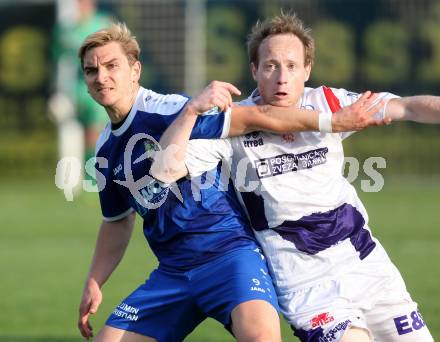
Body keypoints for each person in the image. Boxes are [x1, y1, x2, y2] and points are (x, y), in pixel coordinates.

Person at [76, 22, 386, 342]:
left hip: (230, 256)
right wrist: (94, 281)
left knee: (262, 338)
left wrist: (330, 122)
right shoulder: (106, 149)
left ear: (135, 70)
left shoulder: (173, 111)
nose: (101, 78)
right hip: (173, 272)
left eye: (112, 66)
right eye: (91, 71)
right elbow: (116, 222)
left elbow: (254, 117)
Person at [151, 12, 437, 342]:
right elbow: (164, 169)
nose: (281, 77)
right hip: (306, 284)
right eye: (271, 65)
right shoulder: (234, 125)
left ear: (307, 70)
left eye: (291, 65)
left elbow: (409, 107)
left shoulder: (329, 103)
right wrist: (191, 112)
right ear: (254, 70)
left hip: (366, 264)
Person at [50, 0, 111, 190]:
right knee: (82, 134)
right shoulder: (67, 29)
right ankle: (87, 179)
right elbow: (57, 55)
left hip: (100, 84)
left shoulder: (103, 24)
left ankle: (96, 181)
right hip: (77, 88)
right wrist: (56, 91)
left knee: (96, 132)